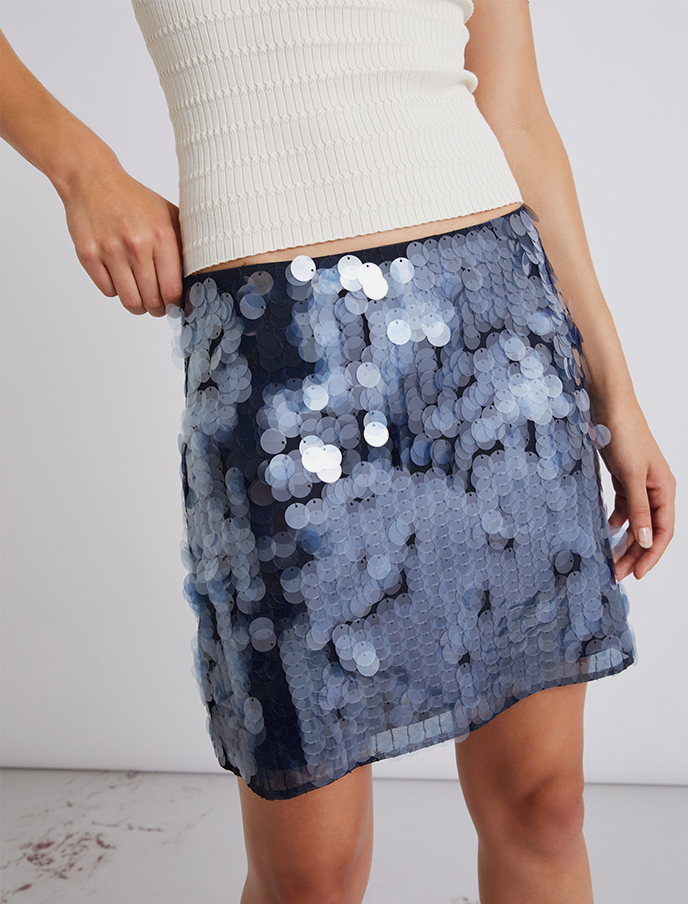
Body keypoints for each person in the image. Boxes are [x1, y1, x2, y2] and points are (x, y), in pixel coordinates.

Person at [0, 1, 676, 902]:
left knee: (543, 803)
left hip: (499, 349)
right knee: (308, 876)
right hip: (277, 357)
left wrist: (617, 396)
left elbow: (516, 115)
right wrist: (80, 167)